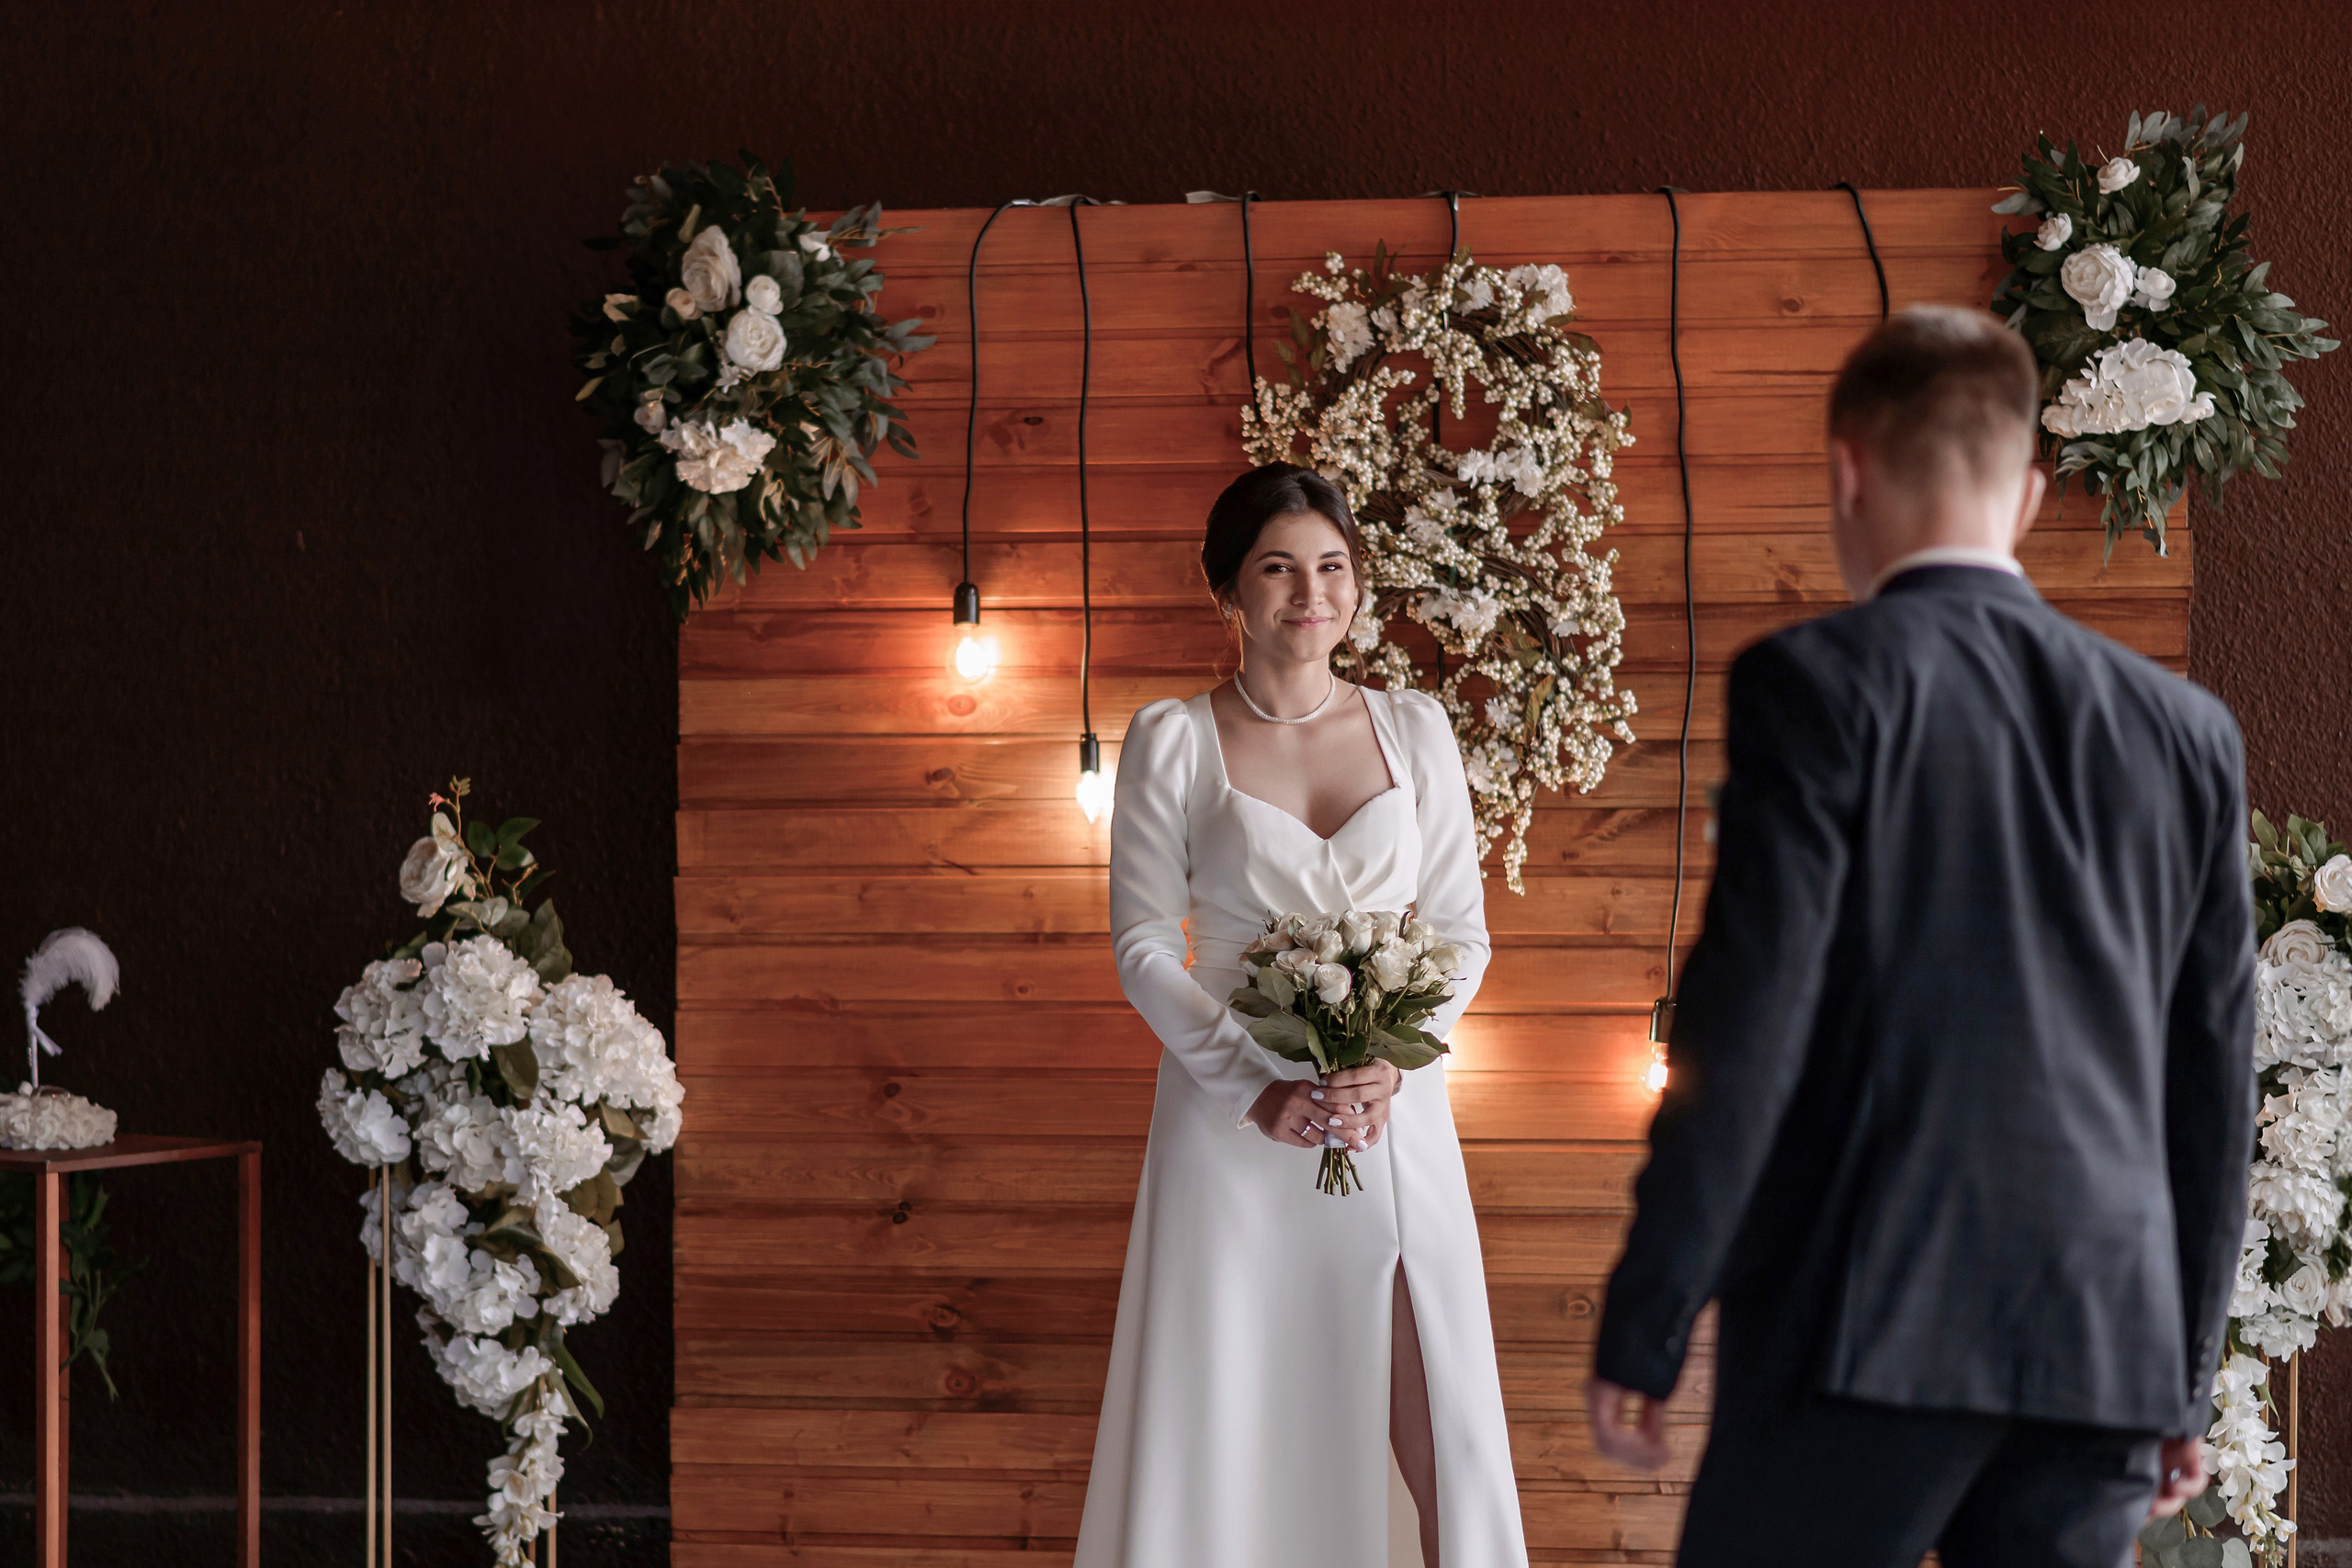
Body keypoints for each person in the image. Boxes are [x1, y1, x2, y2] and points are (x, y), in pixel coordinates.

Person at [1585, 307, 2257, 1567]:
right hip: (2102, 1349)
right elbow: (2212, 1078)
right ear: (2030, 493)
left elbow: (1751, 1020)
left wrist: (1651, 1312)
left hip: (1866, 1322)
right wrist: (2179, 1374)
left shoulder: (1820, 682)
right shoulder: (2188, 733)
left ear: (1848, 468)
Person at [1073, 463, 1528, 1568]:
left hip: (1389, 1116)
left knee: (1438, 1411)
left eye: (1331, 567)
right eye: (1278, 568)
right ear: (1229, 590)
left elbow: (1462, 933)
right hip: (1232, 1127)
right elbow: (1141, 948)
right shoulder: (1171, 740)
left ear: (1358, 586)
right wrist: (1253, 1084)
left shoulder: (1415, 730)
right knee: (1231, 1404)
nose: (1309, 592)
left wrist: (1397, 1068)